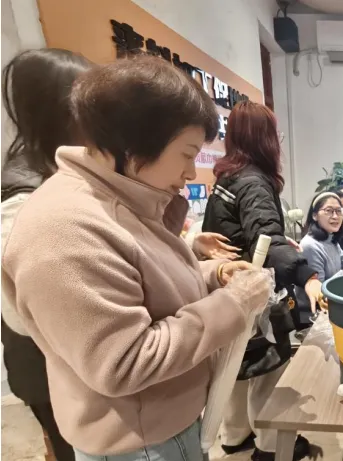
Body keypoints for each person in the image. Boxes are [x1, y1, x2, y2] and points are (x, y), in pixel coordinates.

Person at [1, 56, 271, 461]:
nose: (191, 172)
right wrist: (234, 304)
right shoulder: (65, 230)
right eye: (187, 153)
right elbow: (125, 361)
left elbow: (142, 285)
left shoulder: (120, 200)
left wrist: (214, 274)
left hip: (162, 426)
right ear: (133, 144)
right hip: (139, 444)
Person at [202, 100, 317, 461]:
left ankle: (235, 435)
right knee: (270, 366)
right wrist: (309, 276)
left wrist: (276, 242)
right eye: (275, 134)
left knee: (235, 363)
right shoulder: (254, 181)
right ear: (264, 138)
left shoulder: (228, 177)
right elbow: (266, 238)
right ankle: (270, 446)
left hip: (224, 288)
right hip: (249, 291)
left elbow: (250, 235)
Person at [0, 48, 93, 461]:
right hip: (51, 372)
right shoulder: (21, 197)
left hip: (75, 367)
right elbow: (20, 313)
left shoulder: (60, 173)